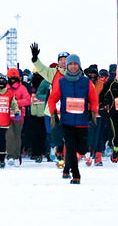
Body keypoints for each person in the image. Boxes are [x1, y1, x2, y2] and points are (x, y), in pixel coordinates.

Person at [48, 54, 98, 184]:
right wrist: (53, 113)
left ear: (79, 66)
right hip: (67, 121)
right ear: (67, 66)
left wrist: (93, 112)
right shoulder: (61, 82)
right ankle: (76, 174)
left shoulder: (86, 82)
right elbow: (52, 99)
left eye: (75, 64)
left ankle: (66, 167)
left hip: (82, 122)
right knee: (70, 147)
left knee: (81, 149)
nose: (73, 66)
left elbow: (93, 99)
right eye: (70, 64)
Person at [29, 43, 69, 167]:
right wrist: (35, 58)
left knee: (68, 135)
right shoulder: (53, 73)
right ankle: (58, 156)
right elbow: (41, 69)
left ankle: (68, 156)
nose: (63, 62)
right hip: (54, 110)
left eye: (65, 60)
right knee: (56, 134)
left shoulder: (76, 73)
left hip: (69, 110)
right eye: (61, 60)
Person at [6, 67, 31, 167]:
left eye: (14, 77)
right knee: (9, 135)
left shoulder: (22, 88)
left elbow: (28, 100)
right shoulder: (4, 87)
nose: (12, 79)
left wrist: (15, 103)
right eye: (10, 77)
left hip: (18, 116)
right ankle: (10, 156)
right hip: (6, 116)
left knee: (17, 135)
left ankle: (16, 156)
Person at [29, 72, 49, 163]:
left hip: (43, 113)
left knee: (43, 134)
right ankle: (36, 152)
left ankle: (42, 152)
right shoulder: (31, 87)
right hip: (34, 114)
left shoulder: (45, 84)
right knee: (35, 134)